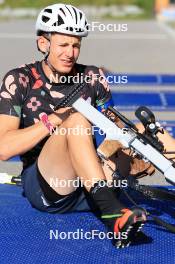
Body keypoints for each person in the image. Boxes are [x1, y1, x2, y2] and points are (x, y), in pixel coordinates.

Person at [0, 3, 147, 248]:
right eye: (63, 45)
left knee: (148, 133)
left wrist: (133, 148)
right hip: (49, 186)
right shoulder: (19, 79)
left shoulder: (92, 77)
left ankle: (112, 203)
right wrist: (58, 118)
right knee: (76, 119)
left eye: (76, 45)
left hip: (91, 181)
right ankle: (112, 213)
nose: (70, 53)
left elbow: (114, 129)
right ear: (43, 44)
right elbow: (4, 149)